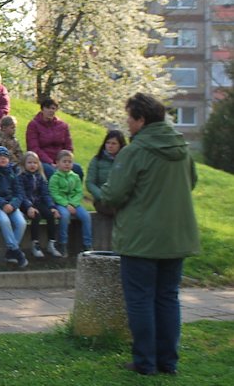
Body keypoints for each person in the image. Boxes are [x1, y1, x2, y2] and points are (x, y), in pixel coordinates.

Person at [100, 93, 200, 377]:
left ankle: (145, 362)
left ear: (141, 120)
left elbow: (115, 193)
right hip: (176, 236)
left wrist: (102, 197)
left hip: (141, 238)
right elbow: (190, 182)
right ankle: (168, 362)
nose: (127, 124)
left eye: (129, 118)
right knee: (168, 298)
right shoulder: (182, 147)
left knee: (141, 299)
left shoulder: (135, 151)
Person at [48, 150, 92, 256]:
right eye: (64, 161)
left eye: (70, 162)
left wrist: (72, 203)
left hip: (74, 203)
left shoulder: (75, 177)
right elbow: (54, 193)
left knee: (86, 216)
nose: (67, 164)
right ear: (57, 163)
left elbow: (79, 192)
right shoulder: (55, 178)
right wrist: (66, 204)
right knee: (65, 215)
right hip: (61, 203)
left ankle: (87, 244)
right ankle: (62, 243)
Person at [26, 98, 83, 179]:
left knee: (77, 169)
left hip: (61, 159)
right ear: (42, 109)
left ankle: (75, 191)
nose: (51, 111)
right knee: (52, 172)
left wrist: (64, 161)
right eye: (48, 108)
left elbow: (68, 146)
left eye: (53, 108)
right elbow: (33, 148)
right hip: (43, 160)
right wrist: (50, 162)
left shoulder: (63, 126)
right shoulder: (33, 125)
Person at [18, 151, 61, 259]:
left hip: (37, 202)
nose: (32, 165)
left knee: (50, 215)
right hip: (24, 203)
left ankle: (51, 243)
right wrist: (28, 207)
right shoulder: (21, 177)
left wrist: (52, 207)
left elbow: (45, 194)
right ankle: (35, 244)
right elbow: (21, 194)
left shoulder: (40, 177)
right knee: (36, 216)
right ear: (24, 164)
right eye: (29, 163)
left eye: (35, 163)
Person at [86, 130, 126, 215]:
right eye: (108, 143)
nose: (110, 146)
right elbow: (90, 183)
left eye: (114, 143)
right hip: (102, 201)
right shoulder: (97, 160)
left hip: (121, 200)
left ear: (120, 145)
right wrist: (102, 196)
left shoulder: (126, 161)